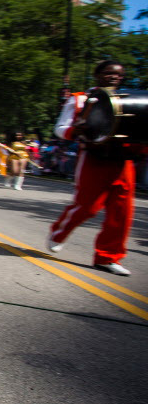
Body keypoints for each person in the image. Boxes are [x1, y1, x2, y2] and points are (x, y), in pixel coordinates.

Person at [47, 60, 144, 276]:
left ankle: (107, 257)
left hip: (123, 161)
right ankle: (58, 232)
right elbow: (60, 129)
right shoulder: (81, 99)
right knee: (88, 207)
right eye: (109, 73)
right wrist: (77, 130)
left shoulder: (130, 99)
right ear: (97, 75)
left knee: (122, 212)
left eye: (119, 75)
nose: (114, 77)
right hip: (93, 157)